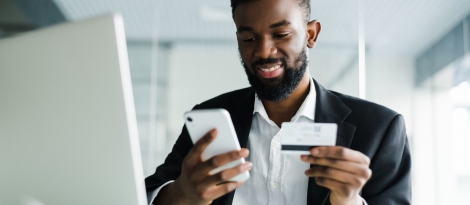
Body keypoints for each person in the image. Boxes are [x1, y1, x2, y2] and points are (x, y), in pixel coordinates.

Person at [145, 0, 412, 204]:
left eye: (281, 34)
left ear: (311, 35)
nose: (263, 51)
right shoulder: (209, 117)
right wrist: (181, 194)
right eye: (248, 38)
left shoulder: (380, 129)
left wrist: (348, 201)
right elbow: (144, 194)